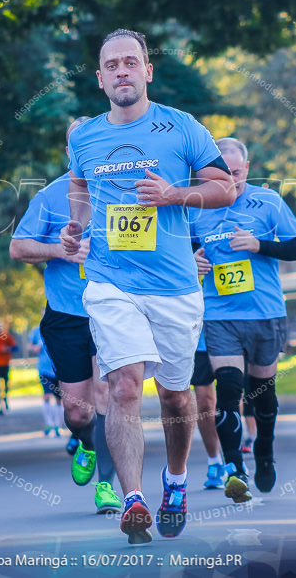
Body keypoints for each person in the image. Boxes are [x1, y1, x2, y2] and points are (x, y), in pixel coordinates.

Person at [62, 28, 235, 543]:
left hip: (175, 286)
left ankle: (175, 480)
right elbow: (78, 183)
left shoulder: (182, 128)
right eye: (111, 65)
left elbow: (224, 187)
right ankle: (133, 500)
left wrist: (173, 194)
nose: (121, 71)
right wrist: (77, 225)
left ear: (146, 71)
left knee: (177, 398)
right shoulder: (85, 136)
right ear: (100, 78)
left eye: (130, 63)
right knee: (123, 385)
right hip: (112, 283)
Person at [10, 119, 121, 514]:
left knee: (109, 394)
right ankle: (86, 443)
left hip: (114, 309)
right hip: (66, 314)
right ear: (70, 152)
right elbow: (18, 248)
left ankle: (107, 486)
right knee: (77, 409)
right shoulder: (50, 195)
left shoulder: (123, 185)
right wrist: (62, 251)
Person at [191, 137, 296, 501]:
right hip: (220, 315)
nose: (231, 181)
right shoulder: (195, 208)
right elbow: (180, 250)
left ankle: (265, 453)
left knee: (262, 396)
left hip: (265, 313)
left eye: (237, 173)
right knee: (227, 394)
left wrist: (260, 245)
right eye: (223, 174)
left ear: (247, 170)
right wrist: (191, 260)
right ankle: (233, 470)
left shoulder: (268, 202)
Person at [189, 328, 226, 490]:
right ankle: (215, 460)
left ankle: (234, 457)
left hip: (228, 333)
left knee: (232, 397)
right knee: (204, 402)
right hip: (198, 341)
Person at [29, 325, 64, 437]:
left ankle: (57, 426)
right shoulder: (37, 330)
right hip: (44, 369)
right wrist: (34, 348)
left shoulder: (59, 327)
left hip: (59, 368)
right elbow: (29, 346)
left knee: (59, 399)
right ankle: (49, 424)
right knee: (47, 396)